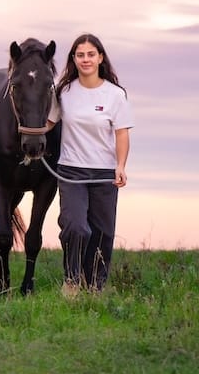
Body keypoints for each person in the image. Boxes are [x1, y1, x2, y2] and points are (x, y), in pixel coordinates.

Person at [47, 32, 134, 294]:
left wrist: (120, 166)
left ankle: (95, 286)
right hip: (71, 170)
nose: (85, 59)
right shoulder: (63, 92)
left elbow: (121, 133)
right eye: (80, 55)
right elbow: (49, 123)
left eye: (90, 54)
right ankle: (72, 280)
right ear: (73, 59)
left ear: (100, 58)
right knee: (74, 226)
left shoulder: (115, 94)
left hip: (104, 172)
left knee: (102, 232)